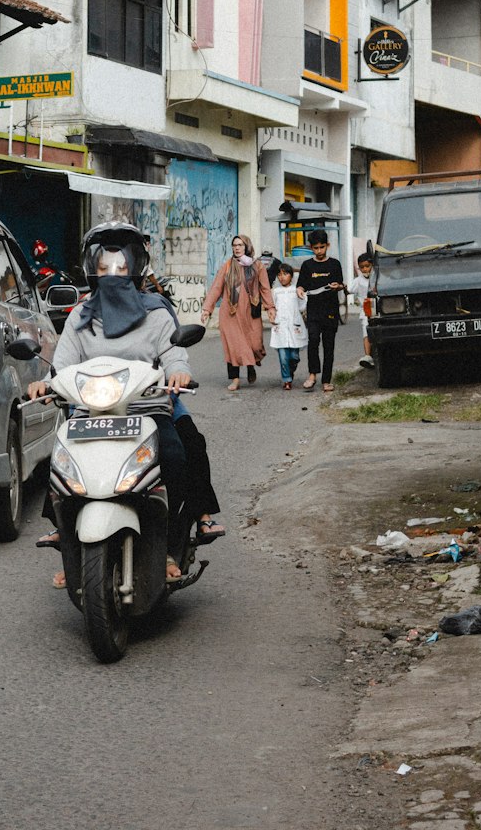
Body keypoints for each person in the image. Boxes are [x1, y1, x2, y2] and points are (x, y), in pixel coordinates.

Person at [28, 222, 223, 586]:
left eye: (120, 266)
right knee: (61, 466)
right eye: (104, 267)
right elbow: (63, 364)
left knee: (178, 458)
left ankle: (169, 545)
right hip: (90, 412)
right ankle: (73, 552)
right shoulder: (80, 317)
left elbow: (175, 354)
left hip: (146, 410)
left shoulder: (157, 313)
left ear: (135, 268)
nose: (112, 274)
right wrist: (46, 382)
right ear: (92, 269)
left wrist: (178, 373)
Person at [201, 235, 275, 389]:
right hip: (230, 313)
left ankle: (250, 365)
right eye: (234, 245)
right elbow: (216, 288)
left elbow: (265, 288)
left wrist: (270, 308)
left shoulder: (257, 266)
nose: (237, 248)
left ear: (247, 246)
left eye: (240, 245)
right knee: (233, 346)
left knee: (255, 345)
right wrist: (207, 309)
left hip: (251, 312)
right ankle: (234, 379)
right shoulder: (227, 266)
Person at [295, 229, 345, 392]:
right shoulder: (307, 265)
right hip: (314, 311)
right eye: (316, 248)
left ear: (327, 246)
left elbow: (341, 284)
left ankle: (326, 380)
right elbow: (301, 285)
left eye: (322, 247)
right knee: (313, 341)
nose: (319, 251)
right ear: (311, 248)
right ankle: (312, 375)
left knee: (329, 346)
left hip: (331, 311)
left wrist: (339, 286)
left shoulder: (335, 264)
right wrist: (300, 290)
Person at [269, 262, 308, 389]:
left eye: (285, 274)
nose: (282, 277)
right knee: (283, 355)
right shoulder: (276, 292)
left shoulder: (296, 290)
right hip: (280, 326)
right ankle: (287, 379)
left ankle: (291, 369)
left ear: (291, 276)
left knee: (294, 356)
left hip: (294, 325)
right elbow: (271, 307)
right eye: (279, 275)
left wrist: (301, 295)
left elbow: (302, 306)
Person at [350, 253, 375, 368]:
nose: (365, 269)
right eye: (362, 267)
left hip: (379, 307)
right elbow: (349, 289)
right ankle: (368, 356)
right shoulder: (358, 281)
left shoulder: (377, 277)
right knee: (366, 331)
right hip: (366, 308)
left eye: (367, 266)